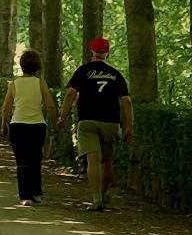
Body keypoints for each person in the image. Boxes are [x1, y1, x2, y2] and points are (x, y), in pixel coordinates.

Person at [57, 37, 134, 211]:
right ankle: (104, 194)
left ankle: (96, 199)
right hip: (111, 122)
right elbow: (127, 101)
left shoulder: (83, 71)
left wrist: (63, 116)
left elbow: (70, 94)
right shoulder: (116, 74)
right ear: (107, 53)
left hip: (87, 121)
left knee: (93, 159)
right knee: (107, 160)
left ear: (91, 51)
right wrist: (129, 126)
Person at [0, 50, 58, 206]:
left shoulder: (14, 84)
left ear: (21, 65)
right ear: (38, 66)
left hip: (17, 126)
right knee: (35, 159)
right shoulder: (40, 83)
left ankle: (24, 195)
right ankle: (36, 192)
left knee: (22, 161)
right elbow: (50, 106)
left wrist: (3, 125)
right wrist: (55, 123)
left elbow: (6, 108)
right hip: (37, 126)